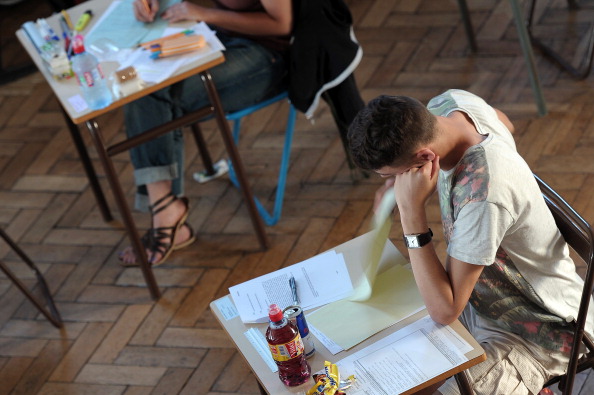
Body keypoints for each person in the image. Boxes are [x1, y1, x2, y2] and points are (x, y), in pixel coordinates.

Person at [347, 89, 594, 395]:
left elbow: (445, 310)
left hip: (536, 330)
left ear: (425, 157)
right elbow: (505, 124)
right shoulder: (451, 104)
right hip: (479, 299)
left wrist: (411, 212)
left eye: (394, 175)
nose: (395, 183)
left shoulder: (483, 199)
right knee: (386, 365)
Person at [119, 0, 292, 266]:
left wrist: (204, 13)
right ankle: (165, 208)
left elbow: (282, 24)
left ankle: (164, 211)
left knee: (152, 96)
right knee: (139, 88)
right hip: (216, 35)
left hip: (267, 53)